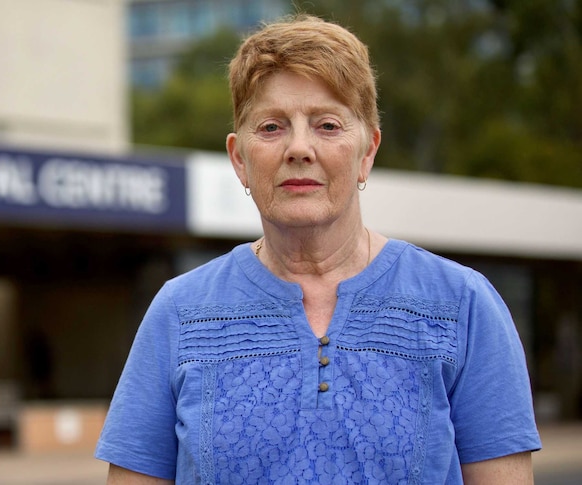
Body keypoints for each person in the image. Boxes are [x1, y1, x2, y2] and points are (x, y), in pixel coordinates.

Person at [95, 13, 541, 484]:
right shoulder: (180, 314)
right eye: (271, 127)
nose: (299, 148)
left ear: (367, 150)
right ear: (239, 159)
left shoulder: (462, 306)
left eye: (327, 125)